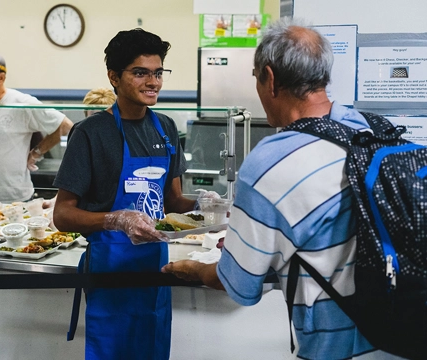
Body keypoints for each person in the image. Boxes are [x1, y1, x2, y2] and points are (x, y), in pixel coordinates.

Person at [162, 18, 401, 360]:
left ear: (269, 79)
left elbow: (240, 284)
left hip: (336, 349)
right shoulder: (371, 127)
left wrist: (192, 269)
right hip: (404, 335)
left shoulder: (270, 161)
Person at [52, 29, 197, 360]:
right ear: (114, 77)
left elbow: (173, 203)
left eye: (158, 72)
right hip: (110, 270)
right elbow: (62, 215)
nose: (153, 82)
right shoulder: (90, 133)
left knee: (153, 347)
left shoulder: (166, 127)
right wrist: (116, 219)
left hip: (156, 269)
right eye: (140, 73)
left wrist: (208, 205)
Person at [0, 50, 73, 202]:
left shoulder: (21, 102)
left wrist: (36, 153)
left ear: (2, 77)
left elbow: (65, 126)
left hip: (16, 199)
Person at [42, 87, 116, 210]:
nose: (98, 120)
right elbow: (70, 180)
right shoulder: (81, 138)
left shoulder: (119, 138)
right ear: (86, 114)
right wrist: (56, 201)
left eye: (103, 114)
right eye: (93, 115)